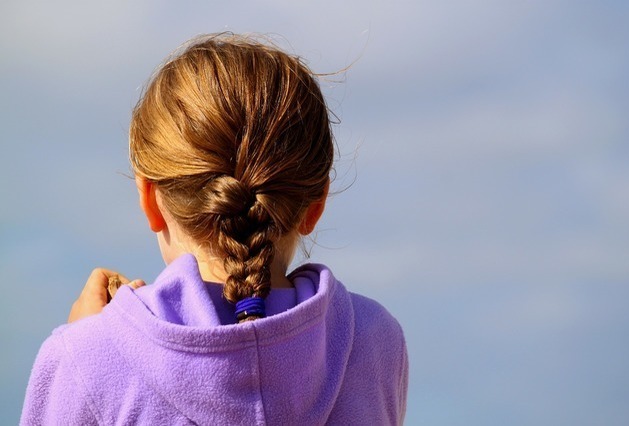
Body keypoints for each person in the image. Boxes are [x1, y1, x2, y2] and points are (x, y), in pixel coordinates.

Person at [21, 33, 408, 425]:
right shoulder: (375, 343)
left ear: (150, 198)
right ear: (315, 205)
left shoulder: (82, 361)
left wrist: (86, 355)